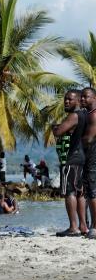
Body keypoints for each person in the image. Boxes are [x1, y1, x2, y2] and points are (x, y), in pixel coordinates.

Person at [53, 89, 88, 237]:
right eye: (65, 99)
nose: (66, 101)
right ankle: (83, 226)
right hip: (84, 158)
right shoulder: (87, 115)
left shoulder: (74, 115)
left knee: (70, 192)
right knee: (80, 192)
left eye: (70, 99)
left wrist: (55, 127)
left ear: (79, 101)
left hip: (72, 158)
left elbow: (58, 131)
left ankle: (73, 227)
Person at [81, 87, 96, 238]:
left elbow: (89, 139)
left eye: (86, 97)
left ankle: (95, 226)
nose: (83, 99)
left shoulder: (93, 116)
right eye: (82, 97)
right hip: (91, 157)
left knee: (92, 192)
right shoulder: (89, 114)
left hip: (91, 157)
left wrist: (76, 142)